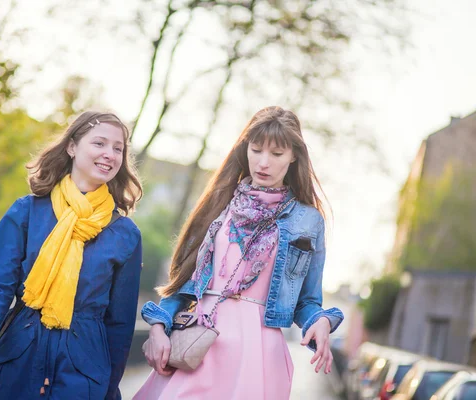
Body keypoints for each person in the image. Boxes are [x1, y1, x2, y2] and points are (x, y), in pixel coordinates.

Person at [135, 106, 344, 399]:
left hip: (258, 352)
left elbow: (306, 301)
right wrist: (158, 326)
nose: (263, 162)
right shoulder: (219, 203)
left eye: (276, 154)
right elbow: (185, 282)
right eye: (256, 150)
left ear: (294, 155)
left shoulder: (308, 221)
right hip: (199, 341)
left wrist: (320, 320)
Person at [0, 111, 143, 399]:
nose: (110, 155)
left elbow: (120, 323)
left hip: (83, 369)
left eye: (118, 148)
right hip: (18, 353)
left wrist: (110, 386)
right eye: (100, 143)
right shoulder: (27, 211)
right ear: (72, 147)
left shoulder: (125, 234)